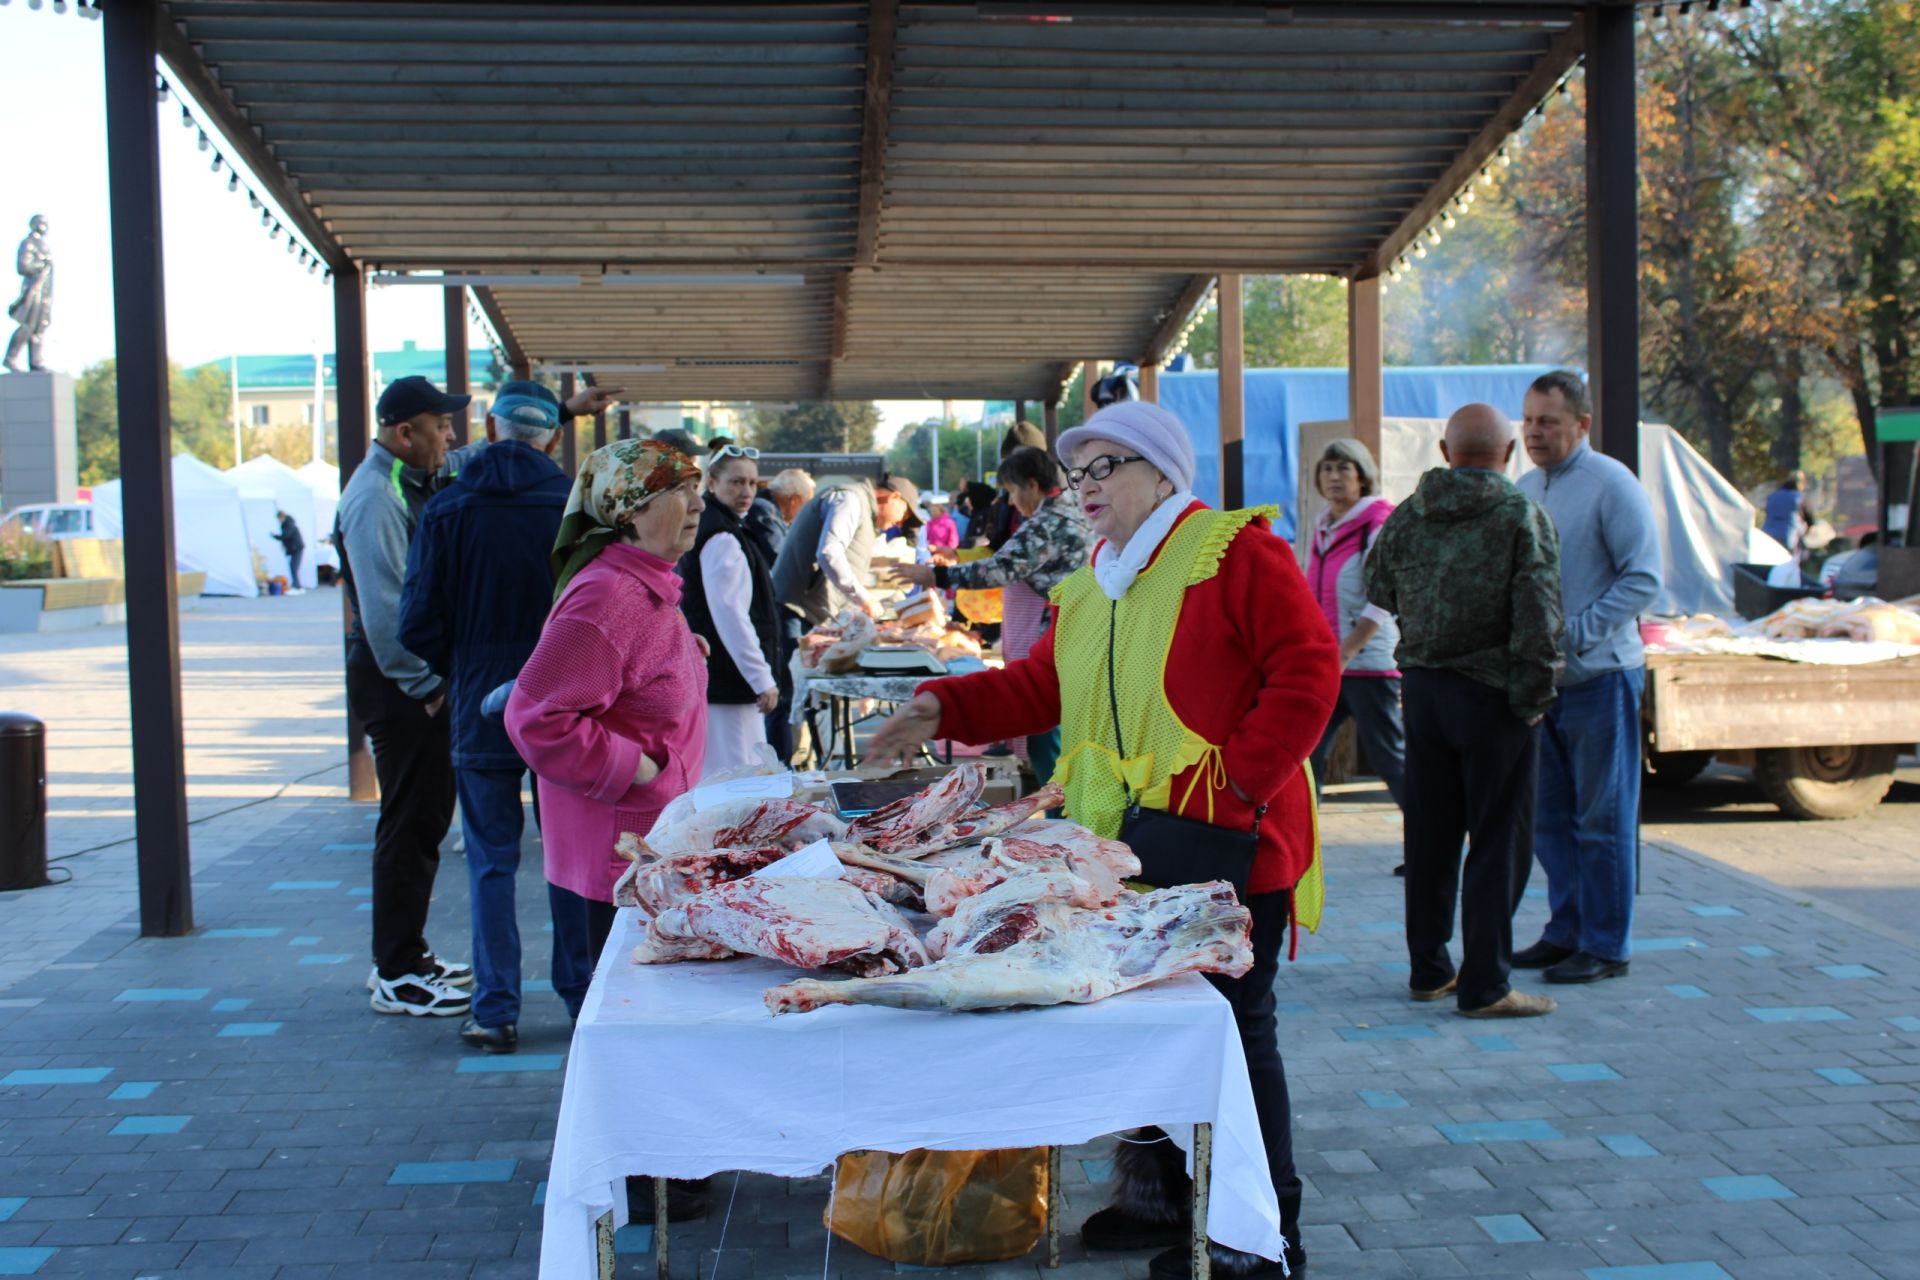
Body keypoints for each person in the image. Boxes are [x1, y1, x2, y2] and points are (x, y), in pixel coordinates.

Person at [867, 402, 1337, 1279]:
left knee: (1234, 1035)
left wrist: (1233, 787)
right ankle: (1167, 1205)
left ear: (1162, 472)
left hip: (1232, 848)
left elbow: (1310, 671)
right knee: (1157, 1027)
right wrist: (940, 705)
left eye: (1105, 468)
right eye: (1078, 472)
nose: (1085, 488)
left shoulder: (1234, 552)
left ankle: (1260, 1240)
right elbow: (1038, 687)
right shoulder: (1094, 581)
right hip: (1127, 847)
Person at [1365, 405, 1565, 1020]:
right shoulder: (1520, 515)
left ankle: (1429, 970)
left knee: (1429, 836)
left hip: (1423, 693)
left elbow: (1376, 586)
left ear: (1446, 450)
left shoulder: (1408, 516)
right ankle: (1485, 985)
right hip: (1496, 698)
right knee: (1498, 841)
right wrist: (1534, 698)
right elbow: (1540, 615)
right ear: (1508, 453)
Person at [505, 439, 710, 1021]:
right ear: (628, 510)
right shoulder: (610, 593)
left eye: (696, 489)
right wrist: (635, 767)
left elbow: (621, 677)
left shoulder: (646, 582)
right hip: (615, 854)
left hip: (642, 841)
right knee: (621, 1015)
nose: (697, 504)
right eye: (677, 492)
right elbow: (535, 717)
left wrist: (684, 657)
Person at [397, 381, 571, 1054]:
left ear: (492, 432)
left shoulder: (448, 508)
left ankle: (496, 1007)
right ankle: (580, 990)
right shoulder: (570, 509)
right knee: (565, 855)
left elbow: (416, 623)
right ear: (552, 438)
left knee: (491, 863)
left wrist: (464, 663)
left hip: (477, 708)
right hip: (563, 705)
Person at [1515, 370, 1663, 985]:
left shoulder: (1611, 485)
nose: (1534, 432)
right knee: (1551, 819)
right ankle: (1565, 930)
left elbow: (1643, 577)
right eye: (1527, 421)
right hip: (1542, 688)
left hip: (1601, 679)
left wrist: (1574, 633)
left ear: (1582, 423)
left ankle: (1607, 944)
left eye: (1548, 421)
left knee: (1602, 820)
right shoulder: (1525, 487)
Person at [337, 375, 473, 1017]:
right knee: (410, 823)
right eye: (440, 426)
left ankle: (406, 955)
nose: (450, 437)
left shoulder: (412, 481)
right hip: (400, 684)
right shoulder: (376, 495)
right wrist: (427, 687)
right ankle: (396, 970)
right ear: (404, 433)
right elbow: (386, 608)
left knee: (421, 820)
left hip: (409, 679)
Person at [884, 445, 1092, 785]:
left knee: (1051, 744)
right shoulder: (1077, 511)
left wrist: (937, 575)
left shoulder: (1048, 521)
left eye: (1011, 492)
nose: (1010, 502)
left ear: (1032, 484)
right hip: (1074, 637)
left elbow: (1001, 569)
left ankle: (1061, 819)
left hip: (1054, 637)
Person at [1303, 440, 1406, 832]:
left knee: (1388, 756)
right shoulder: (1324, 526)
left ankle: (1426, 845)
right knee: (1307, 753)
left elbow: (1382, 599)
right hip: (1329, 662)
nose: (1333, 477)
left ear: (1362, 476)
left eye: (1344, 469)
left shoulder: (1377, 525)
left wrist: (1347, 651)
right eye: (1327, 469)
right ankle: (1304, 845)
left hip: (1366, 662)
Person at [681, 445, 783, 777]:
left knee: (726, 778)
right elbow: (731, 615)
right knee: (736, 780)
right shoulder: (722, 535)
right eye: (737, 482)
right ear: (711, 483)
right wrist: (761, 678)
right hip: (728, 683)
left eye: (752, 483)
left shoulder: (718, 527)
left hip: (721, 680)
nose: (746, 492)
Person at [769, 472, 920, 627]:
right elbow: (829, 553)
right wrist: (864, 598)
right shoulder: (850, 499)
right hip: (797, 610)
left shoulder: (862, 508)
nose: (900, 523)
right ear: (894, 497)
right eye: (905, 515)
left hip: (810, 612)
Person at [757, 469, 816, 762]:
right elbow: (785, 562)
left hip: (776, 614)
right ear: (794, 499)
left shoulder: (767, 511)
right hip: (777, 618)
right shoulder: (765, 514)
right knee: (783, 696)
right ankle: (781, 767)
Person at [1761, 470, 1816, 561]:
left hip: (1767, 534)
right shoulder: (1800, 497)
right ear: (1801, 483)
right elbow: (1810, 520)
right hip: (1787, 537)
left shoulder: (1773, 496)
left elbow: (1768, 514)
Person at [274, 510, 306, 595]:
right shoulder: (288, 524)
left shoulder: (288, 524)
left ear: (282, 517)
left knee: (294, 567)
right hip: (295, 548)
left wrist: (276, 536)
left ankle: (297, 586)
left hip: (296, 548)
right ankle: (296, 585)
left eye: (279, 518)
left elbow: (286, 536)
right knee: (293, 567)